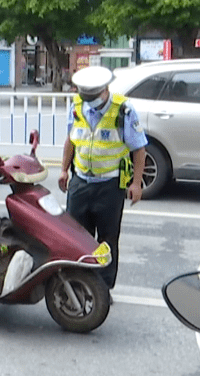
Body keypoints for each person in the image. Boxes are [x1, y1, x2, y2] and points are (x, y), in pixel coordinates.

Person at [58, 66, 147, 293]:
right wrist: (64, 170)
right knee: (76, 237)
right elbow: (71, 140)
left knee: (106, 240)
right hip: (80, 182)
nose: (90, 101)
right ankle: (80, 284)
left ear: (105, 89)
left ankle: (103, 289)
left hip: (109, 186)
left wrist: (136, 184)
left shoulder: (123, 110)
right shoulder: (77, 107)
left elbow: (139, 149)